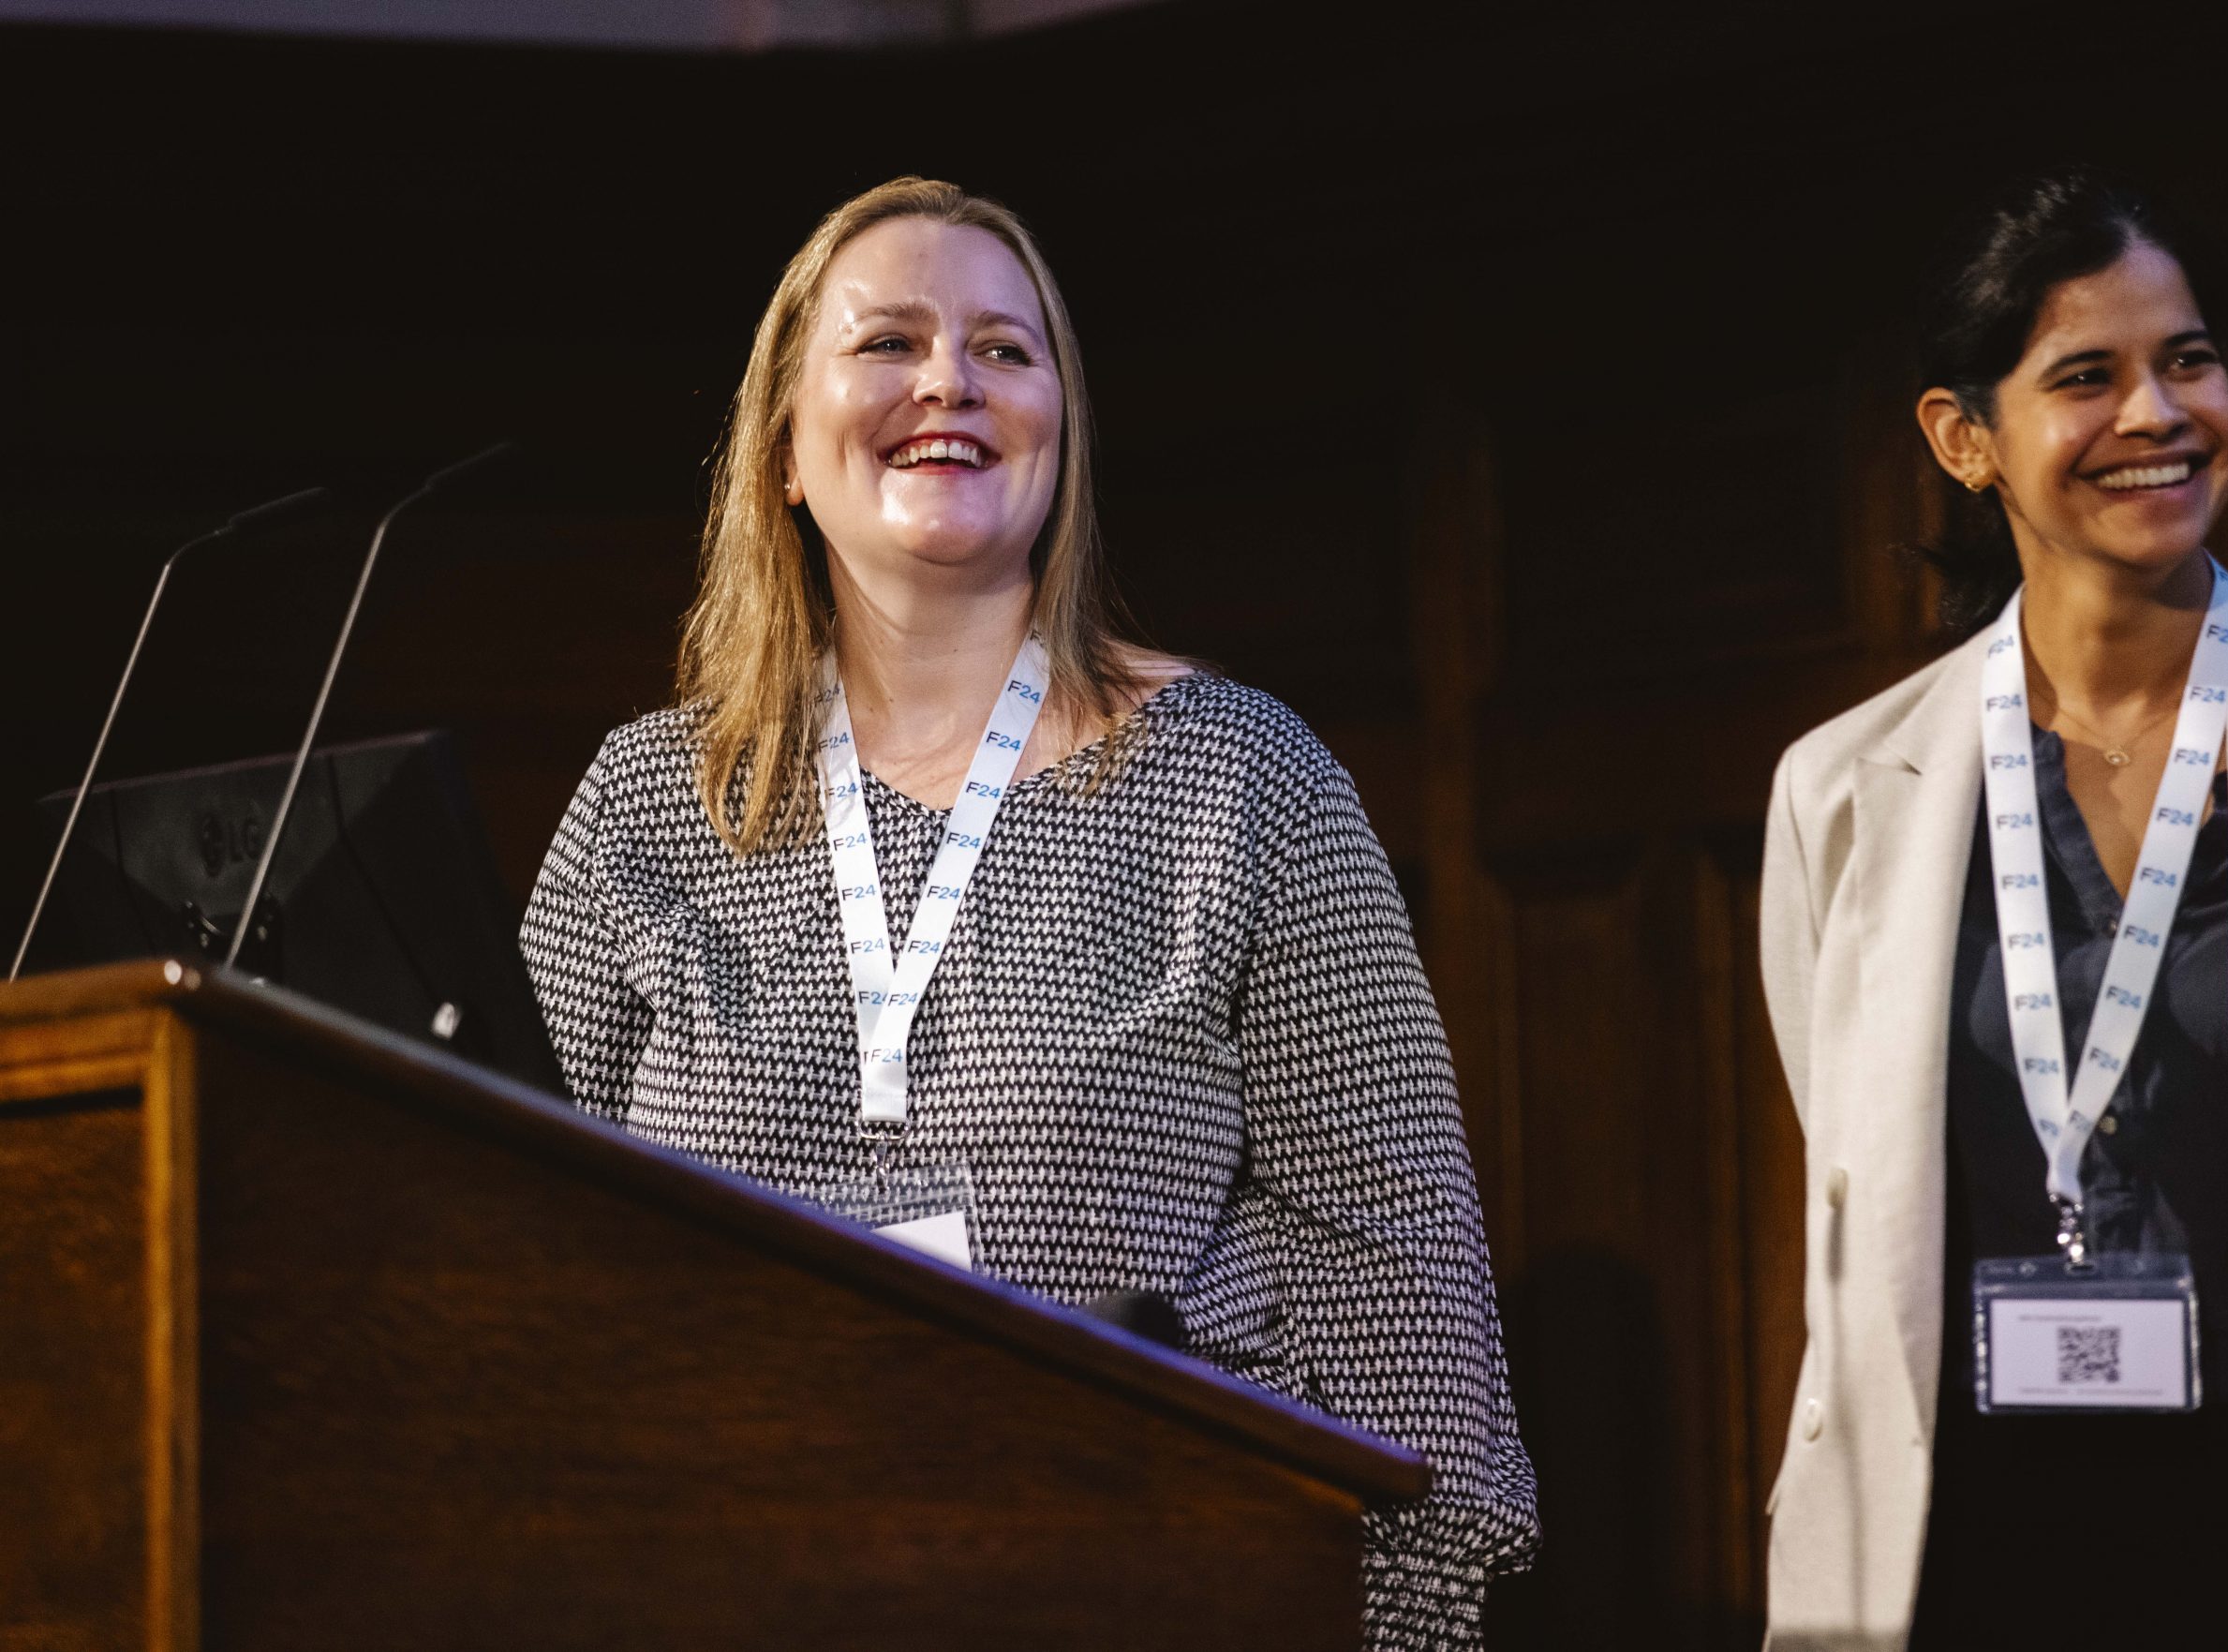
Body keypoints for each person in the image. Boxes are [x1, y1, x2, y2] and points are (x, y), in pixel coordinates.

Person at [518, 176, 1537, 1647]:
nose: (951, 379)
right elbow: (519, 1257)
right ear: (783, 449)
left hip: (1147, 1592)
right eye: (890, 342)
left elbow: (1405, 1297)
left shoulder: (1244, 781)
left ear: (1059, 432)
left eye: (1005, 348)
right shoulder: (645, 804)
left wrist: (1401, 1627)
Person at [1759, 171, 2228, 1650]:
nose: (2156, 414)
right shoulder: (1844, 789)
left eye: (2190, 360)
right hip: (1964, 1543)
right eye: (2087, 377)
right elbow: (1850, 1167)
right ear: (1963, 437)